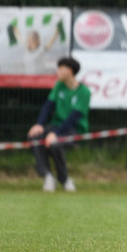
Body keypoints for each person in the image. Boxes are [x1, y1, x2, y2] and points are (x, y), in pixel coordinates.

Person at [27, 57, 90, 192]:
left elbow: (73, 118)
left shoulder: (84, 92)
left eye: (60, 68)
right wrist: (39, 124)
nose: (57, 71)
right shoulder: (59, 86)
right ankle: (48, 176)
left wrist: (55, 134)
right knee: (35, 137)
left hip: (73, 130)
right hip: (55, 127)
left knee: (55, 144)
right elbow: (48, 106)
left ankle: (64, 179)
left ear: (70, 71)